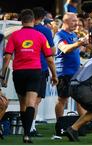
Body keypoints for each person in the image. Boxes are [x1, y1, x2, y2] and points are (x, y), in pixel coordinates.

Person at [1, 9, 58, 143]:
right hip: (35, 71)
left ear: (21, 21)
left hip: (19, 72)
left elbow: (7, 57)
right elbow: (50, 59)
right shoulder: (40, 36)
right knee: (31, 103)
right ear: (33, 20)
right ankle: (27, 134)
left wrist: (3, 74)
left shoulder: (15, 36)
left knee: (22, 104)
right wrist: (54, 75)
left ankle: (26, 132)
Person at [54, 12, 88, 120]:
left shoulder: (73, 35)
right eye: (73, 21)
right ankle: (60, 124)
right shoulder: (59, 35)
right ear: (65, 21)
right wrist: (79, 43)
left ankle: (84, 123)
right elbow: (64, 49)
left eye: (76, 21)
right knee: (62, 100)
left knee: (80, 99)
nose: (76, 23)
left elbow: (76, 51)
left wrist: (85, 45)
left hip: (76, 72)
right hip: (64, 73)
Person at [30, 7, 56, 137]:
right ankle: (31, 127)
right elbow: (52, 52)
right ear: (42, 17)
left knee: (26, 100)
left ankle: (28, 126)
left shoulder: (23, 30)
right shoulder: (45, 30)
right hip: (40, 68)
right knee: (35, 100)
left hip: (22, 67)